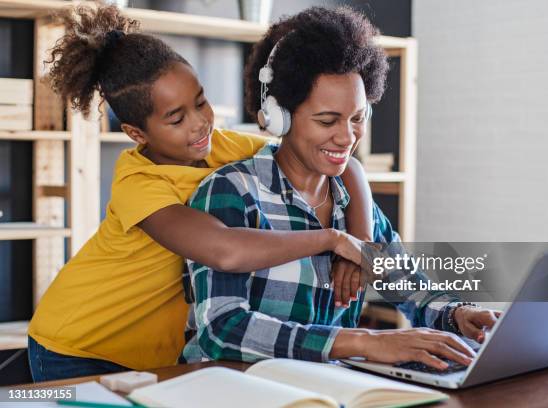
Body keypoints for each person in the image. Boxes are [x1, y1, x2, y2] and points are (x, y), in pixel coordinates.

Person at [27, 4, 375, 382]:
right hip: (76, 345)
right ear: (136, 133)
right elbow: (225, 250)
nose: (199, 125)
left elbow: (347, 165)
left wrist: (361, 246)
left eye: (201, 102)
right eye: (176, 118)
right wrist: (332, 240)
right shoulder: (140, 186)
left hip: (152, 354)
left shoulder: (219, 144)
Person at [183, 6, 500, 370]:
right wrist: (365, 342)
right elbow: (221, 329)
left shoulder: (350, 202)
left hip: (325, 387)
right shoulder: (232, 191)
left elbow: (409, 285)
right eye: (327, 120)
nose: (347, 137)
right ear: (277, 115)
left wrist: (459, 315)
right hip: (230, 389)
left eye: (357, 118)